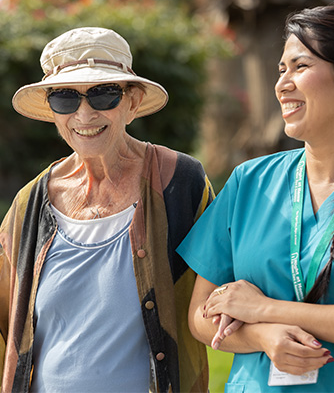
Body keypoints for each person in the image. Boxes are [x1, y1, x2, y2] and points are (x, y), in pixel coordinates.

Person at [177, 5, 334, 392]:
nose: (282, 84)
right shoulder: (250, 181)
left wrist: (264, 309)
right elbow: (200, 314)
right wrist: (262, 336)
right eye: (281, 70)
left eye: (300, 66)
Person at [0, 27, 213, 393]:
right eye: (65, 98)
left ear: (132, 101)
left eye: (103, 95)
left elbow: (224, 288)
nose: (84, 113)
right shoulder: (29, 203)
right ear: (52, 111)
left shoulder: (180, 182)